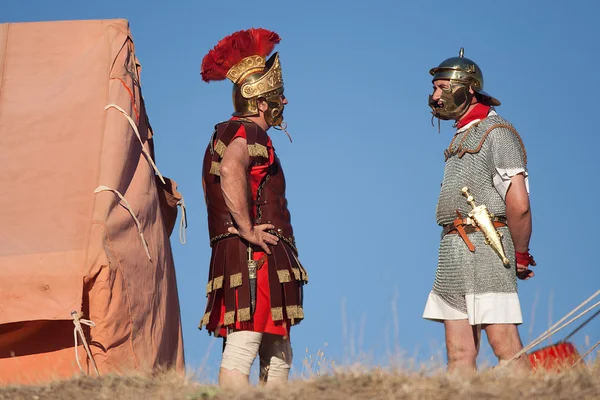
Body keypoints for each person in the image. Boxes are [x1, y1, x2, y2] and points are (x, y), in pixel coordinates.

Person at [198, 28, 308, 388]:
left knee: (278, 351)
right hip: (253, 254)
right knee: (244, 344)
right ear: (260, 102)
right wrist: (246, 230)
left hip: (255, 254)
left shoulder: (227, 131)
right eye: (279, 96)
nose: (284, 103)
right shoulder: (248, 133)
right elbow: (231, 168)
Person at [422, 48, 536, 375]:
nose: (435, 95)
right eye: (434, 87)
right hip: (454, 250)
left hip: (486, 248)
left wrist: (521, 253)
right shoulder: (463, 135)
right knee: (459, 356)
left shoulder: (496, 132)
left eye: (443, 87)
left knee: (506, 349)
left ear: (468, 89)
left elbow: (519, 205)